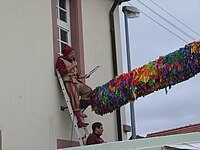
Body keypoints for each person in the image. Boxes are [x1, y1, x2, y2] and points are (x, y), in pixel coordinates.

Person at [56, 44, 92, 127]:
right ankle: (79, 121)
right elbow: (62, 72)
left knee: (88, 90)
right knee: (74, 98)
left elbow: (76, 74)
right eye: (72, 52)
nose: (73, 54)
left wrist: (84, 76)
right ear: (67, 53)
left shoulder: (73, 60)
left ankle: (79, 110)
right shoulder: (61, 60)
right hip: (69, 81)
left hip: (76, 81)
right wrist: (72, 66)